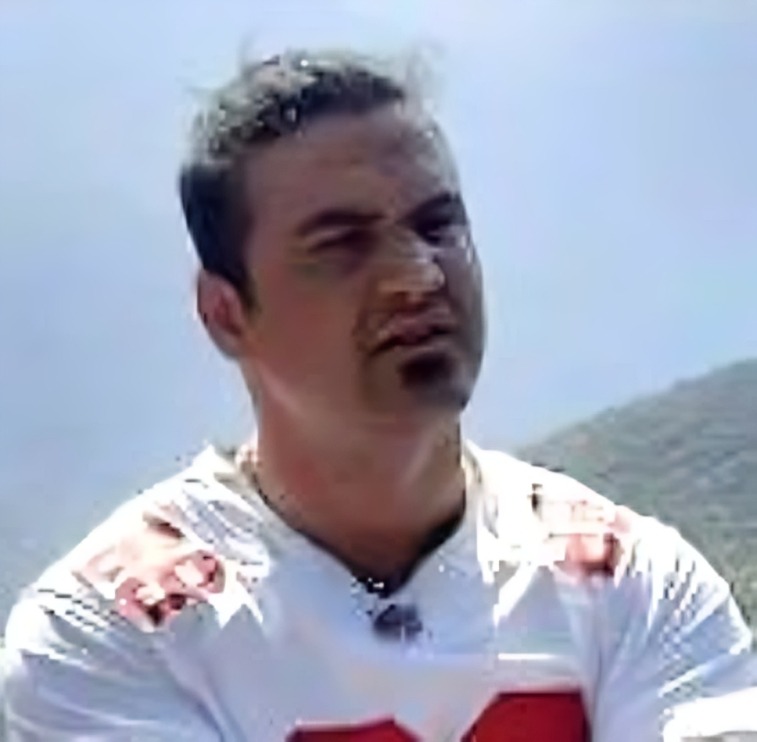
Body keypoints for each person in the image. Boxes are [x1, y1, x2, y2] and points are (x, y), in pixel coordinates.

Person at [3, 48, 755, 741]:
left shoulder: (635, 585)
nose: (417, 276)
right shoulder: (107, 635)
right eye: (342, 244)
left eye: (437, 225)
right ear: (226, 314)